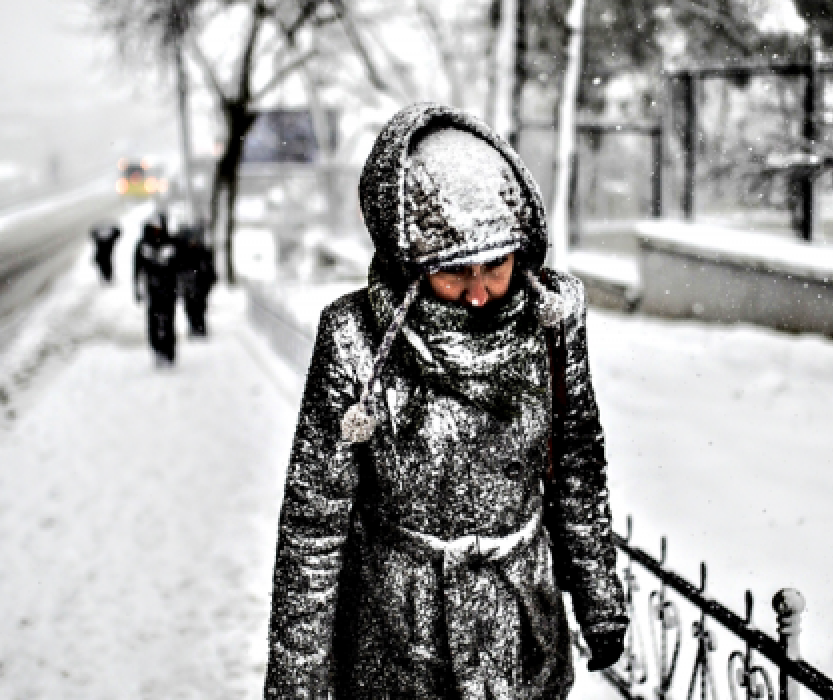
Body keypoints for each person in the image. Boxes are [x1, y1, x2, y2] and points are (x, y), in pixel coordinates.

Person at [265, 103, 627, 700]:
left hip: (523, 640)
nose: (481, 291)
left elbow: (576, 465)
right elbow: (315, 522)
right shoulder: (356, 338)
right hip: (400, 652)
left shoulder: (551, 321)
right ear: (410, 261)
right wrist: (297, 682)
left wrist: (597, 598)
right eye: (456, 271)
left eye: (498, 264)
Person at [133, 219, 180, 365]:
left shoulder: (170, 242)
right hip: (152, 291)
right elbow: (137, 269)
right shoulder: (143, 245)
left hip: (170, 289)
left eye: (159, 228)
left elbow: (179, 265)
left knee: (169, 322)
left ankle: (169, 351)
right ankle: (157, 349)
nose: (156, 231)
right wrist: (137, 289)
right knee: (153, 322)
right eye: (154, 228)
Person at [177, 226, 217, 337]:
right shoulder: (184, 252)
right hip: (190, 286)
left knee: (199, 308)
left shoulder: (203, 252)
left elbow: (210, 270)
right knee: (190, 308)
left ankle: (200, 327)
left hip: (200, 286)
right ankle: (194, 327)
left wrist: (207, 284)